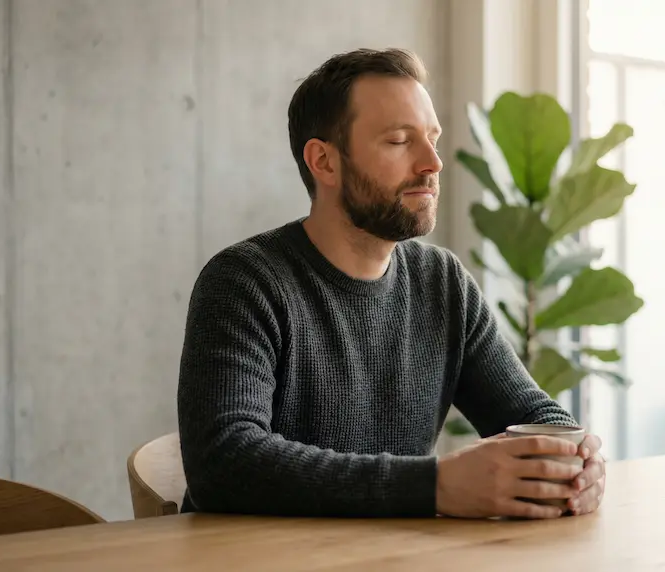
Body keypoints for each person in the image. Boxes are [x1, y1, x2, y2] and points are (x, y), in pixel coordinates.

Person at [177, 48, 606, 519]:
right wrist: (435, 486)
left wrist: (578, 464)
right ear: (324, 162)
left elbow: (535, 419)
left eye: (432, 139)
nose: (432, 163)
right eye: (400, 141)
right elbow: (223, 462)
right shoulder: (245, 282)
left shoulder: (442, 284)